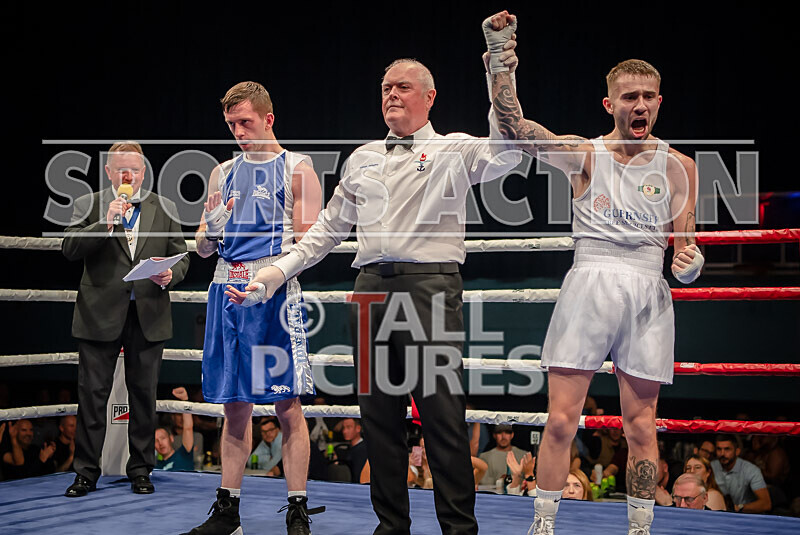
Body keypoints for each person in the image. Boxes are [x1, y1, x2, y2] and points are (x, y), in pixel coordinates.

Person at [230, 54, 520, 534]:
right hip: (369, 291)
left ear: (429, 98)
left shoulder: (454, 149)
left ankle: (459, 530)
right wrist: (272, 277)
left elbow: (509, 149)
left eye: (403, 87)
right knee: (379, 422)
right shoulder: (362, 157)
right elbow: (324, 232)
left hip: (430, 289)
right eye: (386, 86)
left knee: (443, 420)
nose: (391, 94)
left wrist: (499, 74)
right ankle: (391, 528)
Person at [483, 10, 703, 535]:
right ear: (611, 104)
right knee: (560, 420)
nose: (641, 104)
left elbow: (687, 245)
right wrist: (500, 53)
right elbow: (515, 126)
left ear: (659, 101)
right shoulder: (584, 154)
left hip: (649, 288)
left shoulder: (680, 166)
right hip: (591, 278)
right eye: (630, 96)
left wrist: (690, 265)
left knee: (641, 426)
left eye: (649, 96)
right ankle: (543, 524)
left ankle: (640, 527)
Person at [183, 81, 323, 535]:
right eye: (231, 124)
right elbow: (204, 249)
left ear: (269, 119)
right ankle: (228, 511)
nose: (239, 131)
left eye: (245, 121)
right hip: (226, 287)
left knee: (287, 404)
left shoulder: (298, 168)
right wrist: (212, 229)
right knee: (234, 406)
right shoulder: (222, 172)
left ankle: (298, 507)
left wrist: (268, 277)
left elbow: (310, 244)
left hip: (274, 293)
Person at [62, 141, 189, 497]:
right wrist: (104, 224)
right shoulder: (89, 204)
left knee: (144, 398)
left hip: (148, 312)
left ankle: (141, 470)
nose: (128, 175)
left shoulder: (163, 207)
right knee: (92, 397)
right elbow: (69, 248)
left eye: (133, 169)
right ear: (108, 172)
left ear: (144, 172)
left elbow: (180, 255)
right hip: (99, 315)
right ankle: (86, 473)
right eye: (121, 170)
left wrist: (171, 274)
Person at [711, 434, 771, 513]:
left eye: (727, 449)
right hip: (717, 514)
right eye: (719, 449)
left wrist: (739, 507)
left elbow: (766, 504)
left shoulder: (751, 470)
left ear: (737, 451)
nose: (722, 453)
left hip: (744, 516)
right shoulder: (711, 467)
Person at [155, 387, 195, 471]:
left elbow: (188, 428)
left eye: (163, 438)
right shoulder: (155, 468)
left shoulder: (184, 455)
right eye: (155, 441)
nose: (160, 443)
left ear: (171, 438)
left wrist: (184, 400)